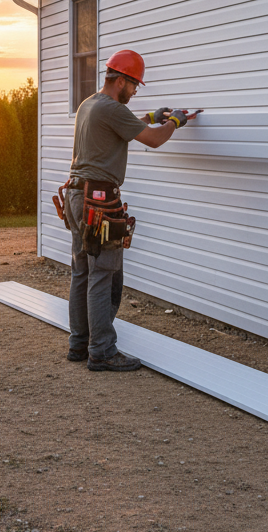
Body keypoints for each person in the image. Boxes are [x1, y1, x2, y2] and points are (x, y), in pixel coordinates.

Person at [63, 49, 196, 371]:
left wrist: (152, 116)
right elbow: (153, 140)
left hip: (77, 197)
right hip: (99, 202)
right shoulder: (110, 108)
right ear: (120, 80)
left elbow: (125, 126)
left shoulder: (91, 104)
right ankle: (103, 352)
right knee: (104, 276)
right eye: (134, 85)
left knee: (83, 272)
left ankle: (79, 344)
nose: (135, 92)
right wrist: (174, 122)